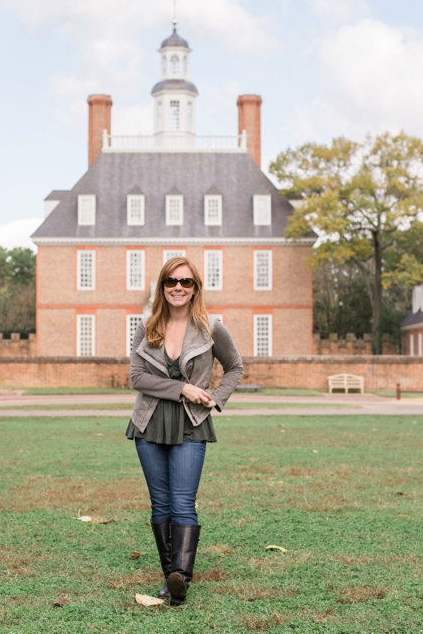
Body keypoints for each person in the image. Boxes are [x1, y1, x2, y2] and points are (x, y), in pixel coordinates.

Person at [127, 256, 243, 606]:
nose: (178, 287)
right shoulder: (147, 327)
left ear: (195, 289)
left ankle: (181, 577)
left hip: (192, 424)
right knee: (160, 503)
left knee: (182, 503)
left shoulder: (212, 329)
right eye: (171, 282)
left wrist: (215, 398)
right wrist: (182, 388)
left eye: (186, 282)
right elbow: (137, 377)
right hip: (149, 421)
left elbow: (235, 368)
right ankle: (170, 579)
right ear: (163, 287)